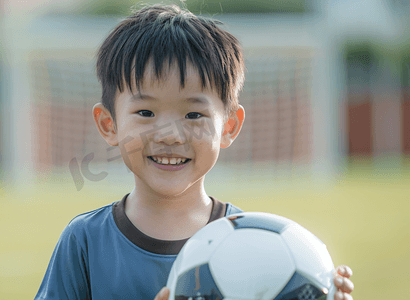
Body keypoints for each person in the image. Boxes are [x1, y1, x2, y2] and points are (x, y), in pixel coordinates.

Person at [34, 4, 355, 300]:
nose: (171, 135)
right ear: (109, 125)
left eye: (193, 115)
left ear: (229, 126)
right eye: (146, 112)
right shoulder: (84, 242)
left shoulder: (253, 242)